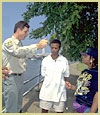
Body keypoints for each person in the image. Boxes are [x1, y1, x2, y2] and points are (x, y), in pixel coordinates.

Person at [2, 20, 48, 113]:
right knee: (11, 108)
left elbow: (23, 51)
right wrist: (37, 46)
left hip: (19, 77)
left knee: (18, 105)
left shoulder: (20, 44)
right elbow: (17, 52)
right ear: (19, 30)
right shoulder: (9, 42)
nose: (27, 34)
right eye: (25, 31)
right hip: (11, 78)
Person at [39, 39, 70, 113]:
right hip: (47, 91)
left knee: (59, 111)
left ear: (59, 48)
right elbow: (43, 74)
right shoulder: (46, 60)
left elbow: (66, 75)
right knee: (44, 110)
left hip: (60, 91)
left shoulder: (64, 60)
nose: (53, 50)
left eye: (55, 48)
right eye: (52, 48)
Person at [66, 48, 98, 113]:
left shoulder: (96, 73)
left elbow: (98, 94)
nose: (83, 57)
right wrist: (72, 87)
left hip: (88, 108)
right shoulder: (85, 71)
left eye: (85, 56)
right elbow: (84, 88)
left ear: (93, 59)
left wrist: (91, 112)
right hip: (80, 108)